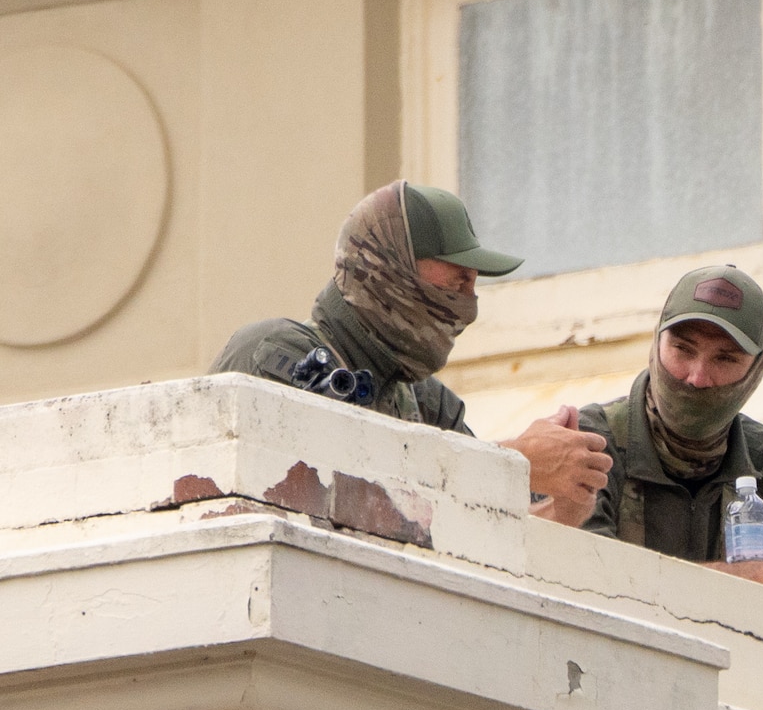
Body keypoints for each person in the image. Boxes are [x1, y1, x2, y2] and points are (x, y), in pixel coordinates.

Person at [216, 181, 613, 524]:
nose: (468, 305)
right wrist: (515, 463)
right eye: (457, 281)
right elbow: (351, 481)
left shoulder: (426, 403)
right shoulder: (276, 352)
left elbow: (470, 528)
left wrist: (561, 509)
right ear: (388, 268)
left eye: (473, 284)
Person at [565, 265, 763, 619]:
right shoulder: (587, 441)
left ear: (756, 369)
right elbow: (584, 578)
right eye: (682, 349)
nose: (697, 377)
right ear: (656, 342)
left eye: (725, 358)